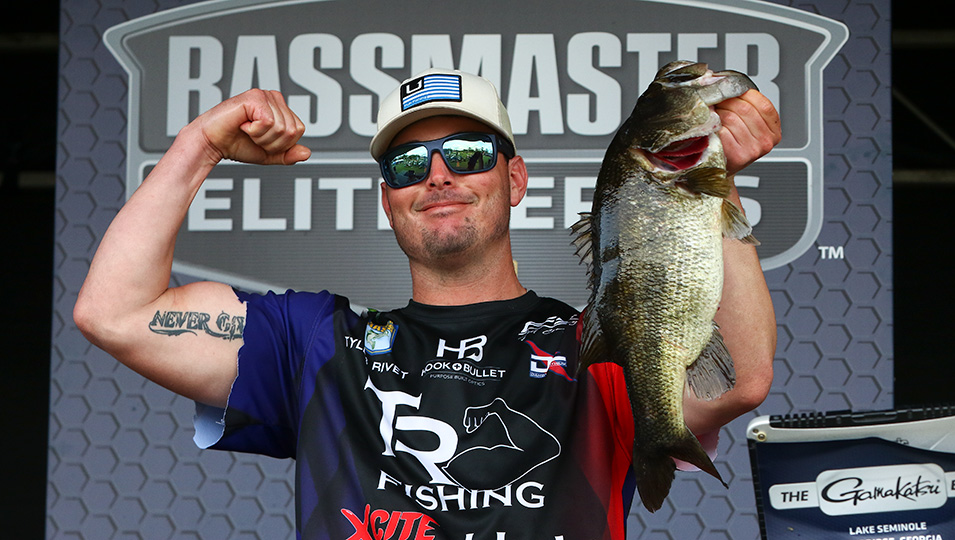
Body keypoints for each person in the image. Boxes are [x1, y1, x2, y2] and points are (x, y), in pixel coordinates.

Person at [74, 68, 779, 539]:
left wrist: (708, 183)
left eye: (468, 153)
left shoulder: (594, 344)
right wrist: (200, 145)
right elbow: (116, 313)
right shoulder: (316, 343)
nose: (438, 175)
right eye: (408, 165)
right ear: (388, 200)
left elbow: (737, 382)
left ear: (515, 178)